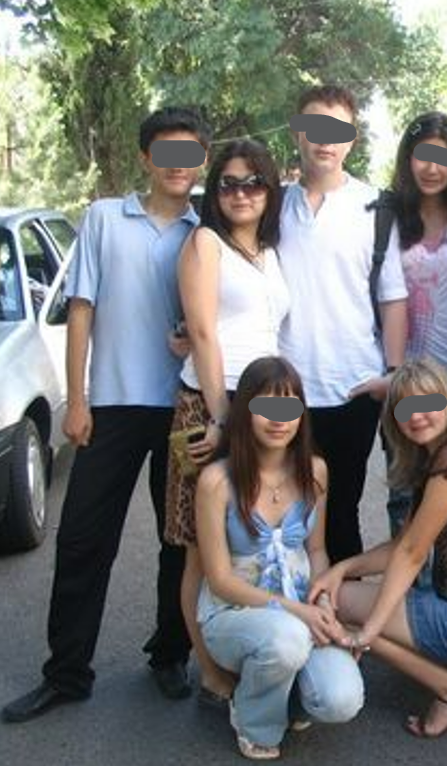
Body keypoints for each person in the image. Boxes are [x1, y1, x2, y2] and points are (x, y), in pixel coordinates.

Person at [1, 107, 212, 723]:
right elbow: (82, 309)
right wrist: (78, 399)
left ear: (201, 160)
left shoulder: (206, 232)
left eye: (189, 154)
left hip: (183, 407)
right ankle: (67, 672)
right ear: (147, 158)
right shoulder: (103, 218)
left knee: (179, 541)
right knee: (83, 540)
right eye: (166, 153)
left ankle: (169, 654)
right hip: (112, 405)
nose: (177, 166)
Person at [310, 359, 447, 738]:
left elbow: (412, 554)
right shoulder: (444, 454)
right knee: (339, 593)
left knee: (342, 609)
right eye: (405, 409)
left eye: (428, 403)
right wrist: (341, 569)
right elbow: (401, 545)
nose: (417, 416)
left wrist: (370, 630)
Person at [163, 138, 290, 709]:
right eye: (228, 184)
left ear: (269, 190)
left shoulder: (269, 251)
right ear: (214, 192)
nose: (241, 194)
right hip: (212, 405)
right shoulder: (204, 242)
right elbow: (202, 332)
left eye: (253, 182)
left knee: (253, 538)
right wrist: (219, 416)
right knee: (201, 545)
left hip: (265, 404)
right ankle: (211, 671)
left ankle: (255, 653)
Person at [196, 356, 364, 760]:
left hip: (300, 605)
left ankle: (288, 697)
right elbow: (219, 580)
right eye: (266, 406)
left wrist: (323, 605)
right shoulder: (216, 481)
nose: (278, 419)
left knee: (340, 699)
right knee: (285, 640)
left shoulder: (315, 470)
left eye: (289, 406)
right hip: (234, 613)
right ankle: (254, 720)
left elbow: (316, 550)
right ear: (245, 411)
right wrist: (297, 612)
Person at [278, 84, 407, 564]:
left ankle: (340, 605)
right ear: (297, 132)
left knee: (340, 511)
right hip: (284, 388)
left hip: (353, 386)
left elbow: (393, 297)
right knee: (284, 508)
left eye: (337, 129)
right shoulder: (272, 205)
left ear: (352, 139)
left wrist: (391, 374)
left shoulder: (377, 207)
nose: (325, 139)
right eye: (315, 126)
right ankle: (287, 602)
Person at [385, 111, 447, 538]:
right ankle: (408, 578)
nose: (432, 167)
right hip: (406, 377)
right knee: (405, 493)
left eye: (443, 158)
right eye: (423, 156)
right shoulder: (387, 217)